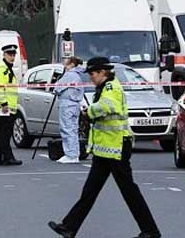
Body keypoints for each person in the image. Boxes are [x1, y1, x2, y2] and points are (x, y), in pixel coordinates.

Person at [48, 57, 161, 238]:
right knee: (90, 191)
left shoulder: (111, 87)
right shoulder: (105, 86)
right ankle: (69, 227)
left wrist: (89, 112)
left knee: (129, 192)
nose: (90, 78)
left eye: (92, 74)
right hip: (105, 149)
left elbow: (107, 106)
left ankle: (151, 231)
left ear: (103, 72)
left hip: (116, 148)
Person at [0, 44, 22, 166]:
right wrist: (4, 103)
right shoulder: (3, 68)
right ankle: (8, 157)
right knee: (4, 133)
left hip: (3, 106)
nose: (12, 57)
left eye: (13, 54)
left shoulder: (5, 67)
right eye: (9, 54)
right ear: (4, 55)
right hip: (3, 106)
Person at [54, 56, 85, 164]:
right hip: (75, 105)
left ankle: (70, 155)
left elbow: (57, 88)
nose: (64, 66)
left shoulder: (70, 75)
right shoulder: (77, 75)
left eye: (66, 63)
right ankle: (74, 153)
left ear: (71, 64)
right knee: (73, 130)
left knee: (66, 129)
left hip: (67, 104)